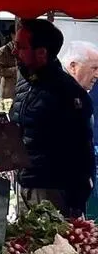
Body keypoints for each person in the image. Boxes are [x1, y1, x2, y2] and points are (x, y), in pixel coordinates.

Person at [10, 19, 95, 218]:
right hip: (24, 185)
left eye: (21, 47)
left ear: (41, 53)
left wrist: (76, 201)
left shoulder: (69, 94)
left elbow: (82, 153)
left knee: (50, 237)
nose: (14, 52)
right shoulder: (24, 84)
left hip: (52, 192)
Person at [0, 30, 18, 102]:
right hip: (8, 89)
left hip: (19, 87)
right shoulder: (3, 51)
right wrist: (16, 70)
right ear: (12, 35)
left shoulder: (21, 48)